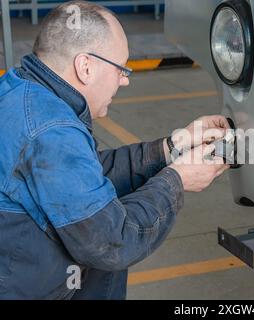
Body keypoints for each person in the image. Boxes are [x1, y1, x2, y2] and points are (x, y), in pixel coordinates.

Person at [0, 1, 229, 299]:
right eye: (121, 68)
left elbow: (84, 176)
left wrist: (171, 147)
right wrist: (178, 180)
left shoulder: (22, 90)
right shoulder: (52, 129)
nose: (125, 80)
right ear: (85, 67)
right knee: (105, 251)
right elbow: (112, 242)